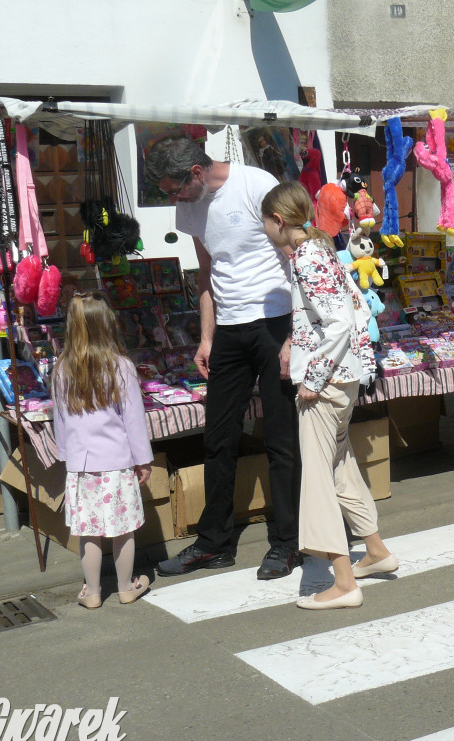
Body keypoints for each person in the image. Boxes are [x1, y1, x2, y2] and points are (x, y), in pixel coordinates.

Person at [145, 137, 302, 580]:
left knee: (280, 439)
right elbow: (206, 272)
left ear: (197, 173)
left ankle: (287, 543)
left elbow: (295, 257)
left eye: (175, 190)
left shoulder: (256, 184)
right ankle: (213, 543)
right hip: (229, 331)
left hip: (274, 323)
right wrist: (206, 337)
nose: (173, 199)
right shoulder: (189, 205)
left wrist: (293, 335)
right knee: (218, 438)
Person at [260, 182, 397, 610]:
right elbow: (355, 309)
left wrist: (312, 380)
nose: (265, 230)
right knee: (339, 466)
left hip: (328, 384)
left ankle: (342, 582)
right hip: (344, 377)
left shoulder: (307, 256)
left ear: (279, 221)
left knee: (318, 479)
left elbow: (337, 322)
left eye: (265, 223)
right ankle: (375, 552)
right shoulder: (321, 248)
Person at [52, 292, 153, 609]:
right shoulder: (121, 367)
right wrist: (143, 460)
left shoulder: (61, 370)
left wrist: (65, 456)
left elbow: (61, 422)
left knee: (89, 533)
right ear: (106, 327)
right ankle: (125, 586)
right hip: (117, 462)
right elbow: (133, 419)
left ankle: (92, 591)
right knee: (123, 531)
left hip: (82, 467)